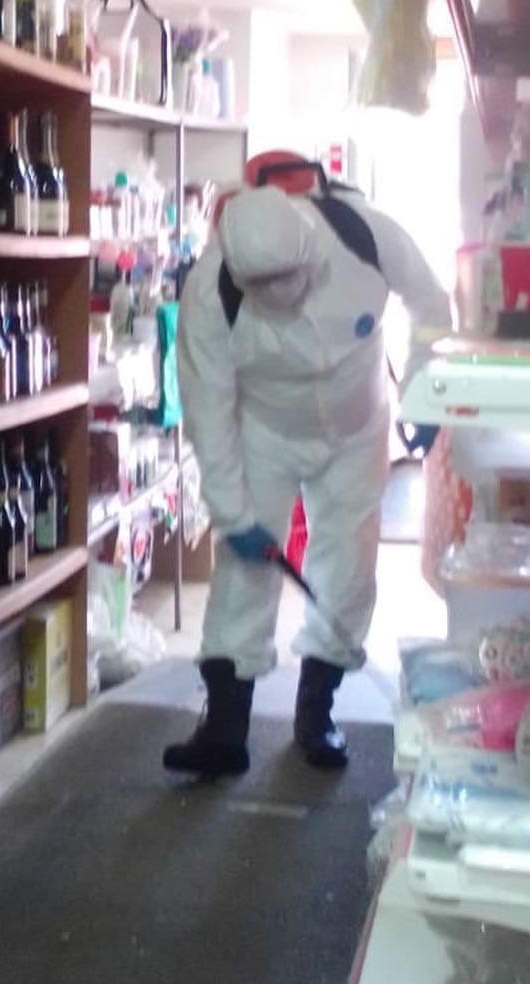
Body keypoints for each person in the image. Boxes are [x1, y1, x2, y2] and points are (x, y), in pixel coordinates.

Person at [164, 152, 451, 777]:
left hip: (357, 429)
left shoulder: (366, 234)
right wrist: (231, 511)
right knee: (243, 572)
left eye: (288, 279)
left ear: (308, 244)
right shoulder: (209, 292)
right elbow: (208, 409)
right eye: (260, 286)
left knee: (348, 564)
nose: (278, 294)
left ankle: (317, 711)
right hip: (264, 431)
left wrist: (425, 391)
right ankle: (225, 728)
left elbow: (432, 307)